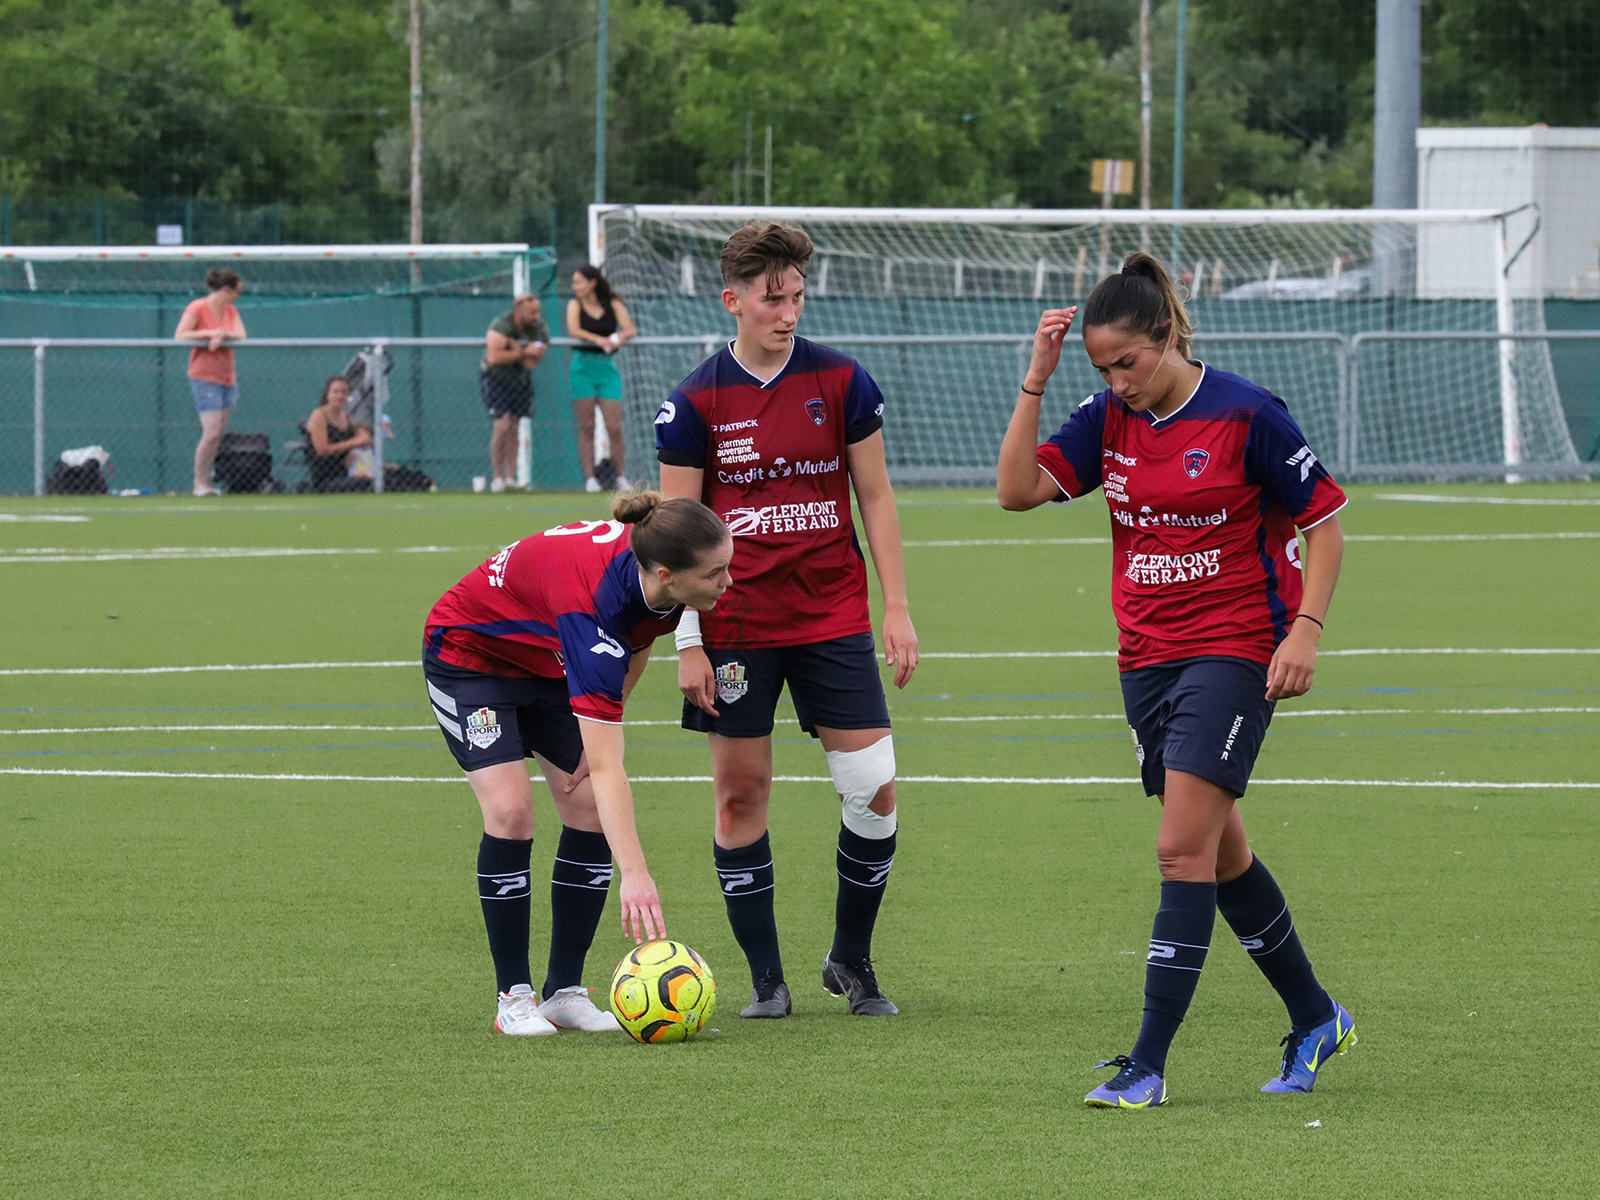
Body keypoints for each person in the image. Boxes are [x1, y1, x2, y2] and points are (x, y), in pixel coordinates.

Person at [996, 252, 1354, 1108]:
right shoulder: (1103, 417)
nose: (1117, 380)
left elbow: (1329, 523)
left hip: (1235, 650)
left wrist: (1305, 630)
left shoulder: (1247, 414)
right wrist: (1038, 383)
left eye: (1129, 361)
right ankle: (1316, 1015)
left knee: (1179, 850)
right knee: (1221, 851)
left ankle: (1147, 1064)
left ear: (1166, 337)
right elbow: (1015, 492)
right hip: (1145, 660)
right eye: (1102, 367)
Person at [655, 220, 919, 1020]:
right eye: (773, 298)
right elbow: (675, 527)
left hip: (832, 612)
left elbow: (874, 495)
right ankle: (767, 979)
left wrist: (895, 606)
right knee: (741, 797)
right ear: (732, 300)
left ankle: (853, 958)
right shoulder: (693, 400)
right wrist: (689, 642)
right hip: (733, 622)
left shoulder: (842, 381)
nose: (788, 311)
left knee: (874, 793)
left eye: (798, 295)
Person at [423, 490, 733, 1035]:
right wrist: (634, 873)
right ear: (667, 574)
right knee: (512, 810)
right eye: (715, 574)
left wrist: (603, 727)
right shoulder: (593, 608)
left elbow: (635, 644)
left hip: (547, 658)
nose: (727, 583)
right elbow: (611, 763)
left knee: (587, 808)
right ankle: (513, 997)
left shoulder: (658, 578)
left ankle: (563, 992)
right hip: (471, 656)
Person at [174, 268, 247, 496]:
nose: (237, 297)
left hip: (227, 376)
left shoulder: (231, 310)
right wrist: (210, 333)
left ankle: (205, 483)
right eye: (236, 292)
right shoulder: (197, 308)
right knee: (212, 431)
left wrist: (222, 334)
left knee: (218, 432)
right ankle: (199, 483)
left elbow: (240, 334)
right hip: (204, 377)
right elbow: (181, 334)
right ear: (226, 290)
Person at [567, 265, 636, 493]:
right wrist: (598, 340)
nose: (575, 287)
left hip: (607, 370)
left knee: (614, 426)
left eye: (579, 282)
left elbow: (629, 329)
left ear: (592, 282)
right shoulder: (574, 305)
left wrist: (617, 337)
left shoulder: (612, 303)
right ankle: (590, 479)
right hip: (582, 369)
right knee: (587, 426)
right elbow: (574, 330)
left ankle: (620, 476)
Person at [480, 292, 549, 494]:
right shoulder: (501, 325)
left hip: (519, 380)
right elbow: (493, 358)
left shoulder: (540, 329)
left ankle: (510, 478)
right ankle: (497, 478)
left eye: (538, 312)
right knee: (501, 426)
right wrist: (523, 350)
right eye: (531, 312)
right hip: (495, 379)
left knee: (515, 427)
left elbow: (530, 362)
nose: (536, 316)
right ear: (519, 310)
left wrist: (514, 348)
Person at [304, 376, 372, 492]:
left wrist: (363, 436)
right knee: (364, 483)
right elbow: (322, 450)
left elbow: (361, 436)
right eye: (335, 392)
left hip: (346, 473)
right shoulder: (319, 416)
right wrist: (354, 442)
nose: (340, 396)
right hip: (325, 480)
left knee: (389, 475)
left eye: (344, 392)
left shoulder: (347, 418)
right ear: (327, 394)